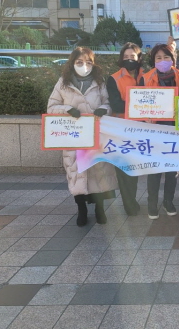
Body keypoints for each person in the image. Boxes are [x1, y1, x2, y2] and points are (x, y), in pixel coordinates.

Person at [47, 47, 117, 226]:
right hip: (73, 137)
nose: (84, 66)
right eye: (79, 62)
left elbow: (107, 103)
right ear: (72, 63)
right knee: (77, 173)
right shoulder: (63, 83)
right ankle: (81, 210)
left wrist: (104, 110)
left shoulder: (99, 83)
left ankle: (100, 209)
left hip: (95, 136)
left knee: (98, 173)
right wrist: (67, 110)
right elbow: (51, 107)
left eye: (88, 62)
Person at [138, 43, 179, 219]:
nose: (163, 61)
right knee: (154, 169)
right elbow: (138, 102)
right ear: (153, 60)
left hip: (175, 128)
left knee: (172, 170)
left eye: (166, 57)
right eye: (158, 57)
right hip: (154, 129)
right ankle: (152, 203)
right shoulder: (146, 77)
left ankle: (168, 201)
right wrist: (145, 116)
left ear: (172, 59)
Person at [106, 42, 143, 217]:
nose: (129, 60)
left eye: (133, 56)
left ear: (139, 58)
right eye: (126, 57)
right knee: (123, 169)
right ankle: (129, 204)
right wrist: (140, 105)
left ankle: (132, 200)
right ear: (121, 59)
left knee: (134, 168)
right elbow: (116, 105)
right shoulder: (114, 78)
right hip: (121, 129)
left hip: (142, 129)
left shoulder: (146, 76)